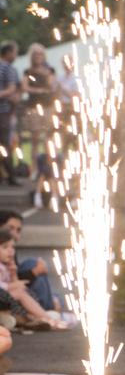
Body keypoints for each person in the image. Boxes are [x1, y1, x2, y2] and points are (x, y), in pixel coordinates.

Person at [0, 229, 67, 329]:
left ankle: (32, 317)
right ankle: (47, 318)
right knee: (20, 293)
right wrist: (10, 286)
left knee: (23, 291)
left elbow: (14, 284)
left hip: (6, 301)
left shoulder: (6, 265)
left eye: (12, 247)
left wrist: (13, 274)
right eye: (5, 247)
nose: (10, 251)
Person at [0, 210, 62, 313]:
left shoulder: (10, 250)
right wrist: (34, 271)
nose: (15, 233)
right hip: (7, 292)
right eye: (11, 228)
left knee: (57, 297)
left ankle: (49, 304)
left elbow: (14, 277)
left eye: (18, 230)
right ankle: (46, 308)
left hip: (10, 291)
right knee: (32, 264)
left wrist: (15, 272)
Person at [21, 43, 57, 178]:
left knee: (48, 138)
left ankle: (47, 169)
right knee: (34, 139)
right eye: (35, 54)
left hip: (47, 107)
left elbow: (51, 86)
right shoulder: (28, 71)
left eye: (40, 54)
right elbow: (25, 87)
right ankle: (34, 169)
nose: (38, 57)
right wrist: (39, 90)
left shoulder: (50, 70)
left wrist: (41, 84)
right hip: (33, 107)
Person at [0, 41, 22, 185]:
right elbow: (12, 89)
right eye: (14, 52)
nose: (16, 55)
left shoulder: (8, 69)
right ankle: (10, 177)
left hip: (4, 112)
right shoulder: (9, 68)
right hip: (3, 112)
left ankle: (6, 176)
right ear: (8, 53)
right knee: (5, 144)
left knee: (5, 144)